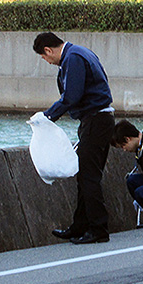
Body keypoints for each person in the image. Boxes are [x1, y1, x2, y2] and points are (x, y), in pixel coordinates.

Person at [33, 32, 115, 244]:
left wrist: (47, 116)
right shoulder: (81, 52)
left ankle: (98, 229)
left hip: (95, 120)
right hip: (98, 120)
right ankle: (80, 226)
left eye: (44, 57)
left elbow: (72, 96)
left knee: (89, 177)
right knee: (85, 175)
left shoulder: (72, 58)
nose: (47, 61)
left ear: (48, 50)